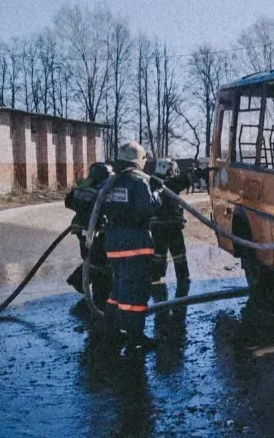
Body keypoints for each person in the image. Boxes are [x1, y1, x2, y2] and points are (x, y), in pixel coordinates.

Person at [103, 141, 162, 355]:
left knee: (118, 289)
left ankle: (111, 330)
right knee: (136, 293)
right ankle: (135, 338)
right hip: (135, 244)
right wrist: (157, 192)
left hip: (114, 244)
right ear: (140, 161)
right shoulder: (139, 182)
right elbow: (148, 209)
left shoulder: (110, 182)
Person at [64, 162, 114, 312]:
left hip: (81, 230)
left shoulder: (83, 188)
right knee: (101, 261)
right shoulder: (101, 191)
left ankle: (83, 282)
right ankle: (97, 294)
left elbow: (68, 201)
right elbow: (98, 214)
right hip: (93, 231)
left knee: (92, 259)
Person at [149, 158, 192, 328]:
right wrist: (192, 171)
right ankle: (183, 278)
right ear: (170, 170)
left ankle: (157, 278)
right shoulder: (172, 183)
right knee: (179, 254)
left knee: (159, 254)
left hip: (157, 227)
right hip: (172, 226)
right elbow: (187, 179)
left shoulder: (152, 182)